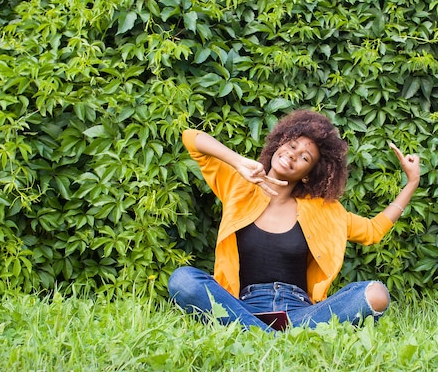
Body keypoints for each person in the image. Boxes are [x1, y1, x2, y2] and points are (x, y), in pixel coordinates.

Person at [168, 109, 420, 331]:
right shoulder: (239, 186)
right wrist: (238, 162)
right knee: (182, 280)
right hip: (240, 307)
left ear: (309, 175)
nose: (292, 155)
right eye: (292, 146)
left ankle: (254, 336)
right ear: (280, 144)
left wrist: (412, 183)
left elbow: (373, 230)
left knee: (375, 294)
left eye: (304, 157)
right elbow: (191, 138)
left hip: (300, 315)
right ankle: (272, 337)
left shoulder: (325, 211)